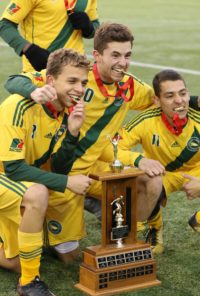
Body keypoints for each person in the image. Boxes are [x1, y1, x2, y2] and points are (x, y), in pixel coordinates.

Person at [4, 22, 164, 254]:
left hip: (95, 168)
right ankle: (85, 205)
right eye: (115, 55)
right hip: (60, 171)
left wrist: (192, 101)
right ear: (97, 56)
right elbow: (14, 80)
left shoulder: (130, 87)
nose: (123, 63)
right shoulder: (76, 75)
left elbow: (164, 99)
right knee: (67, 256)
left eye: (128, 55)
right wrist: (33, 91)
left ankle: (130, 238)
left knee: (152, 181)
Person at [0, 48, 92, 296]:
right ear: (50, 81)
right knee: (38, 193)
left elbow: (59, 168)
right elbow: (14, 168)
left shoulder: (66, 114)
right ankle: (28, 284)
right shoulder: (19, 104)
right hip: (8, 175)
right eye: (72, 81)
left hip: (12, 184)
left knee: (21, 259)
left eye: (83, 82)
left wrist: (72, 134)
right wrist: (67, 182)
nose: (79, 88)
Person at [105, 69, 200, 254]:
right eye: (170, 96)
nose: (179, 100)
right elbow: (112, 147)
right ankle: (155, 227)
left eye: (183, 93)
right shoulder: (145, 120)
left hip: (197, 172)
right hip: (163, 173)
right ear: (157, 100)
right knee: (148, 180)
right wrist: (138, 159)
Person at [0, 0, 100, 72]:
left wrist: (89, 27)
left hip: (77, 69)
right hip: (41, 70)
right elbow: (4, 25)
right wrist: (28, 49)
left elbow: (95, 26)